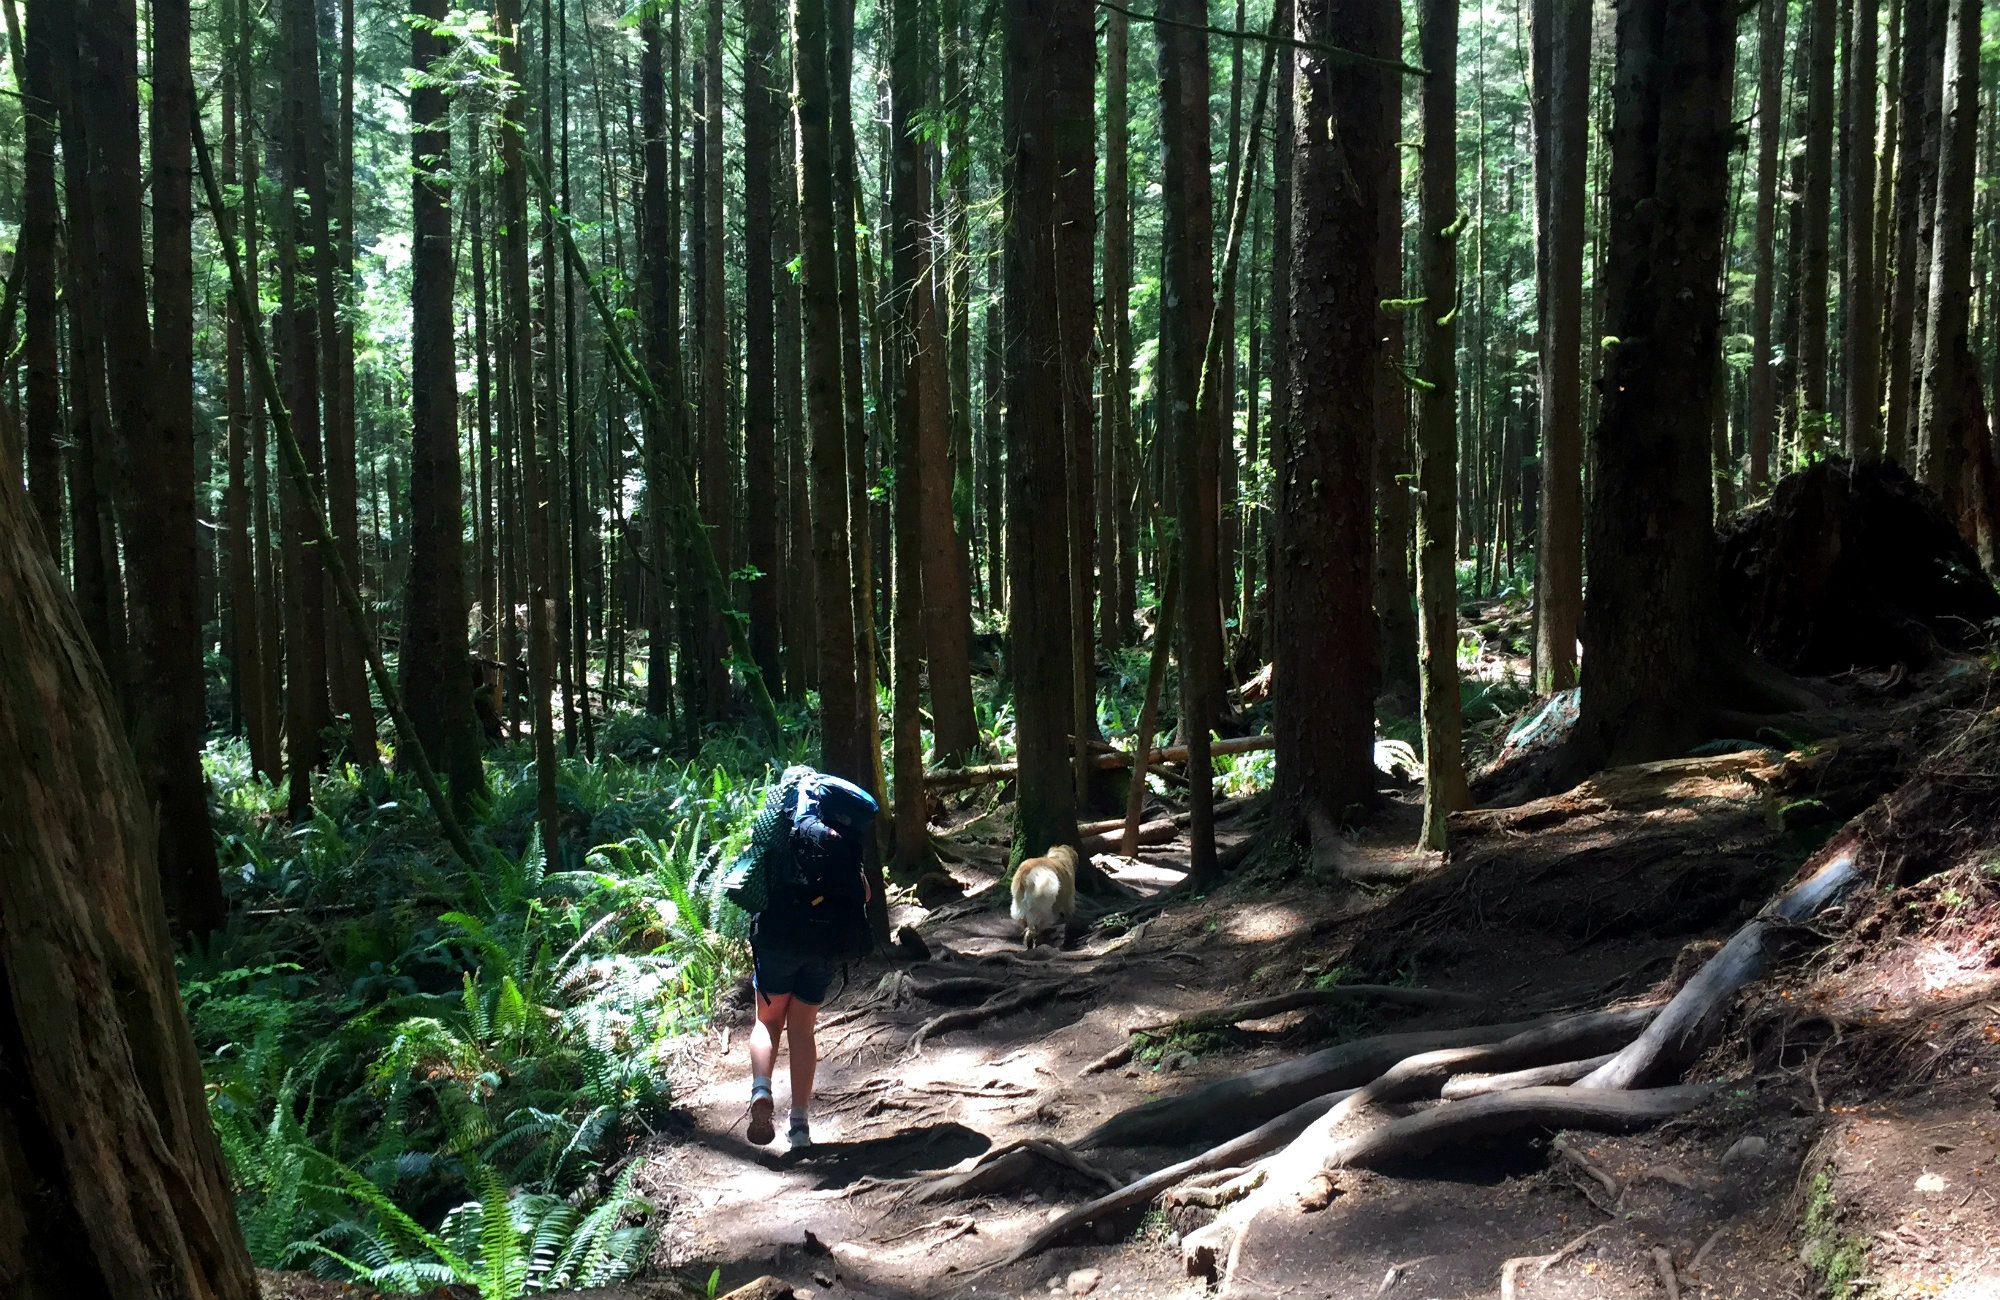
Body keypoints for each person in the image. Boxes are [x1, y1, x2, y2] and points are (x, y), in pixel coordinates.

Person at [745, 769, 877, 1148]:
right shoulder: (837, 833)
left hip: (776, 940)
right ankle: (799, 1125)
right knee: (802, 1030)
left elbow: (748, 884)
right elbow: (863, 895)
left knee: (767, 1022)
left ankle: (760, 1091)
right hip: (822, 943)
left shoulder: (776, 830)